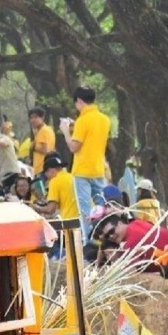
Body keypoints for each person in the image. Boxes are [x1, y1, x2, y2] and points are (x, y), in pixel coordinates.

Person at [60, 86, 112, 242]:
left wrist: (65, 131)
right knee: (102, 207)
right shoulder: (105, 119)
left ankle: (89, 242)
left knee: (85, 210)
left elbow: (74, 147)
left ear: (80, 101)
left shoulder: (82, 121)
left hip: (82, 172)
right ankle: (106, 238)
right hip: (98, 170)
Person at [27, 107, 55, 176]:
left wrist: (32, 146)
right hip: (43, 168)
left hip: (42, 168)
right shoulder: (47, 129)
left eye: (35, 117)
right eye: (31, 118)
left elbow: (45, 150)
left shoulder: (43, 131)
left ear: (42, 117)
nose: (33, 120)